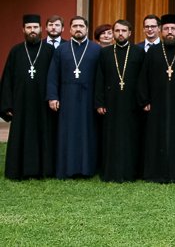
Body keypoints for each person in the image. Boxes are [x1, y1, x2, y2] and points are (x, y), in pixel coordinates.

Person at [137, 14, 175, 183]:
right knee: (156, 137)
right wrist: (145, 100)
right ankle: (156, 173)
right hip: (157, 104)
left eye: (173, 29)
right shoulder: (152, 52)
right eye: (166, 29)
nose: (170, 32)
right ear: (161, 31)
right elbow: (143, 78)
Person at [0, 14, 56, 180]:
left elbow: (56, 77)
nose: (33, 31)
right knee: (20, 135)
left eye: (35, 27)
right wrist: (7, 105)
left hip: (43, 103)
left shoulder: (49, 50)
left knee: (43, 134)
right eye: (29, 28)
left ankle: (43, 171)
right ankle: (18, 171)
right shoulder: (16, 51)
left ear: (41, 29)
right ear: (23, 30)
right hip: (21, 103)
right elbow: (7, 79)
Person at [47, 16, 102, 179]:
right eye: (75, 26)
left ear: (86, 29)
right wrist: (52, 96)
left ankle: (87, 170)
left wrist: (100, 100)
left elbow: (101, 77)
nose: (78, 29)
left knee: (88, 133)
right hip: (67, 96)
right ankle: (67, 169)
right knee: (68, 133)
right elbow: (52, 75)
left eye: (81, 26)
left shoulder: (96, 49)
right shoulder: (61, 49)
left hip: (89, 97)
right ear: (69, 29)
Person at [94, 19, 145, 182]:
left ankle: (131, 172)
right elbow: (99, 78)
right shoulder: (105, 53)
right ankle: (111, 172)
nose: (120, 34)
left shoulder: (139, 52)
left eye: (124, 31)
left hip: (132, 103)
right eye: (117, 31)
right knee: (111, 137)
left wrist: (143, 101)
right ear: (114, 33)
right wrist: (100, 102)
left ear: (130, 33)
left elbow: (143, 80)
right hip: (111, 102)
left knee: (131, 137)